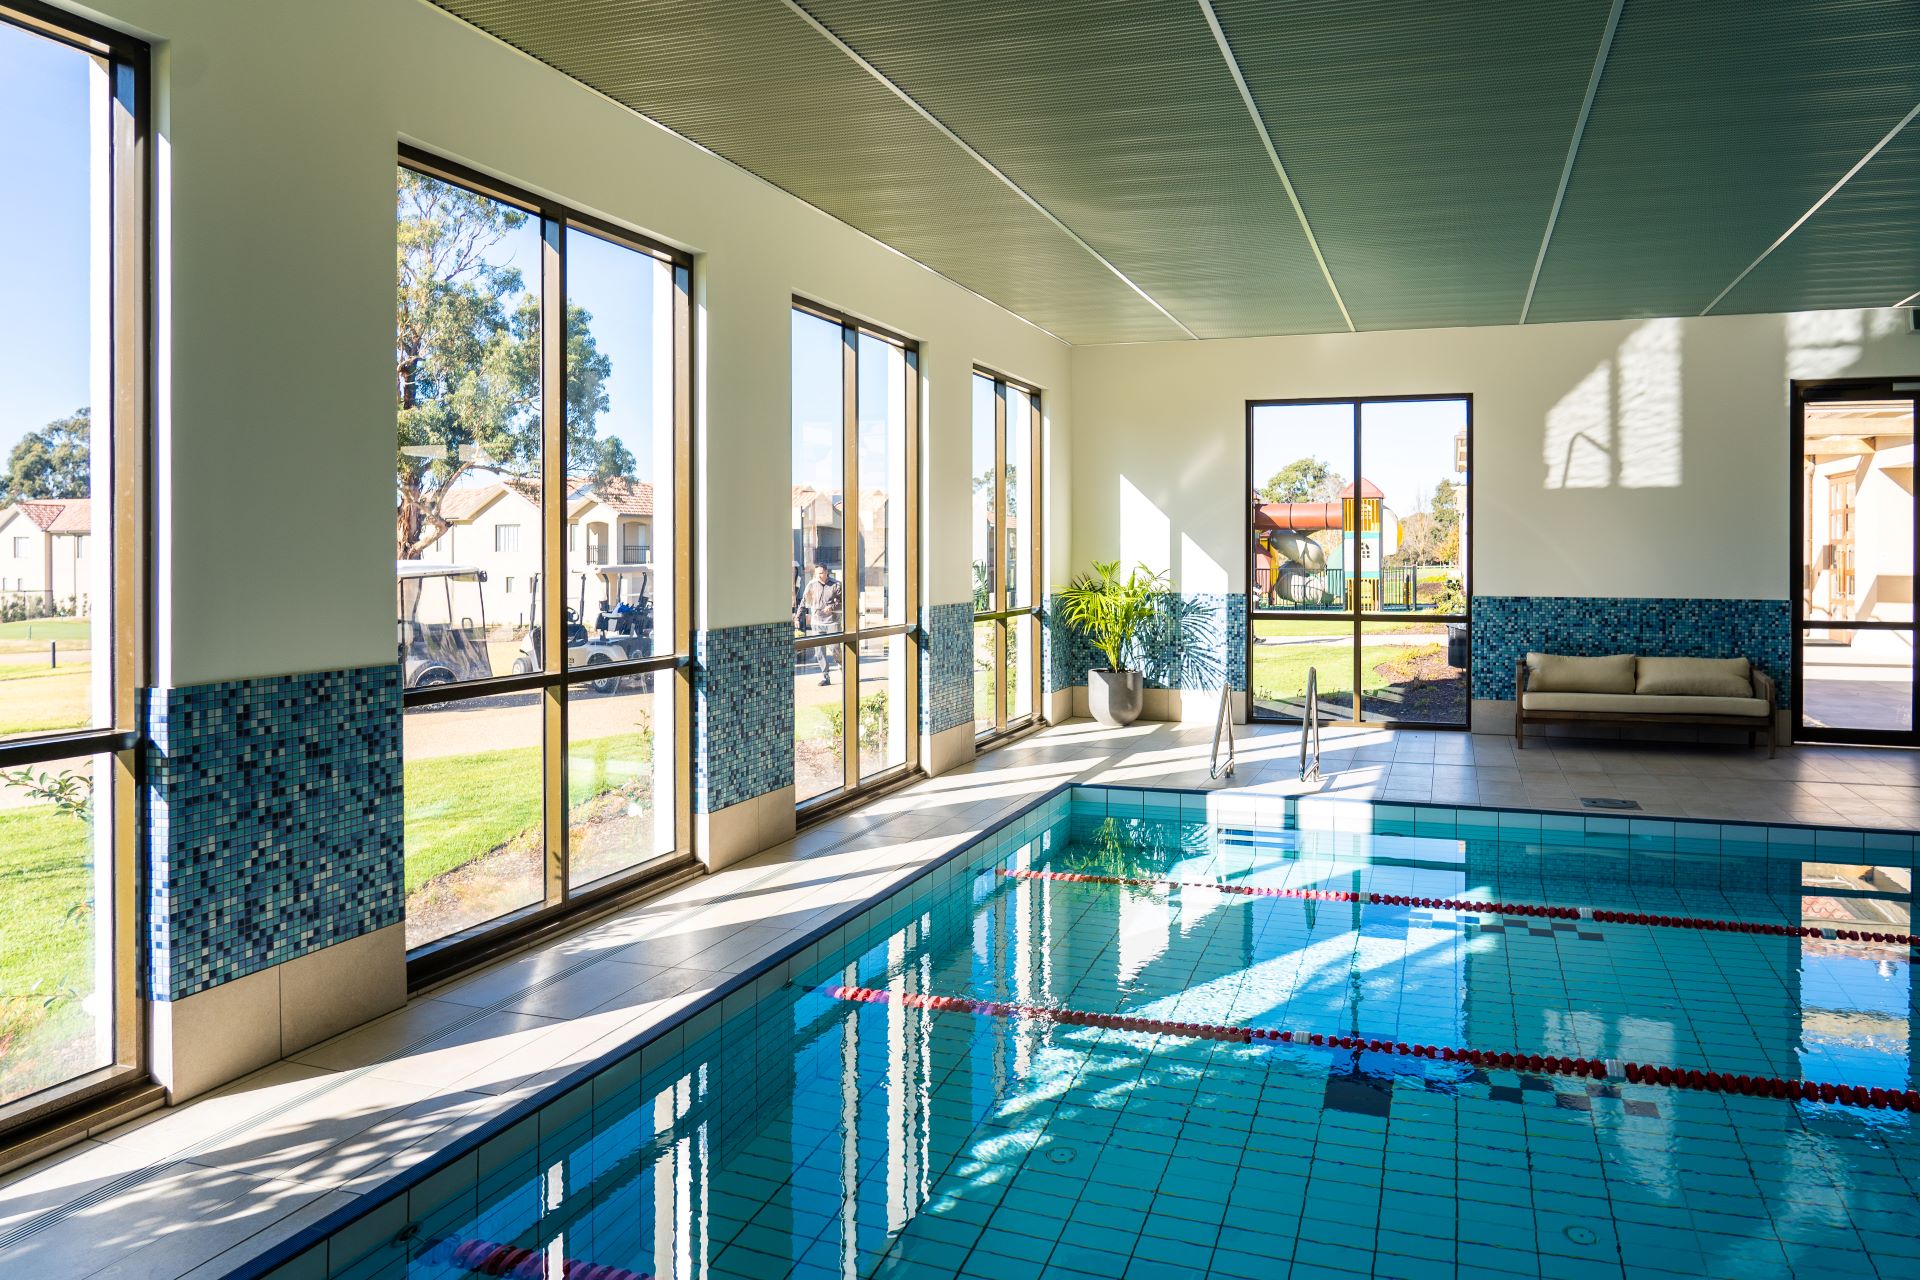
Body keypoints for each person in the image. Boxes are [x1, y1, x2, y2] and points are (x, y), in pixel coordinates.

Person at [796, 563, 842, 685]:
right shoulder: (811, 584)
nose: (819, 576)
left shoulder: (836, 584)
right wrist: (797, 617)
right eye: (817, 574)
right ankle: (826, 677)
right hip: (817, 623)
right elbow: (804, 601)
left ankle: (844, 670)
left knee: (835, 649)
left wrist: (832, 607)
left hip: (832, 622)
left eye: (821, 573)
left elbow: (843, 602)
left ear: (827, 572)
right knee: (819, 651)